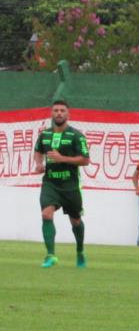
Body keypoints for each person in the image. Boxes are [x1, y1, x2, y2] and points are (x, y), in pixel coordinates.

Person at [33, 100, 90, 268]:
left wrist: (62, 158)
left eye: (62, 110)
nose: (59, 113)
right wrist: (38, 163)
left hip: (70, 186)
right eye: (56, 110)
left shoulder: (76, 136)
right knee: (46, 214)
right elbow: (38, 150)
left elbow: (85, 160)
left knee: (76, 221)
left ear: (68, 114)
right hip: (50, 183)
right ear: (52, 113)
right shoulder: (45, 135)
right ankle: (50, 255)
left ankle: (80, 251)